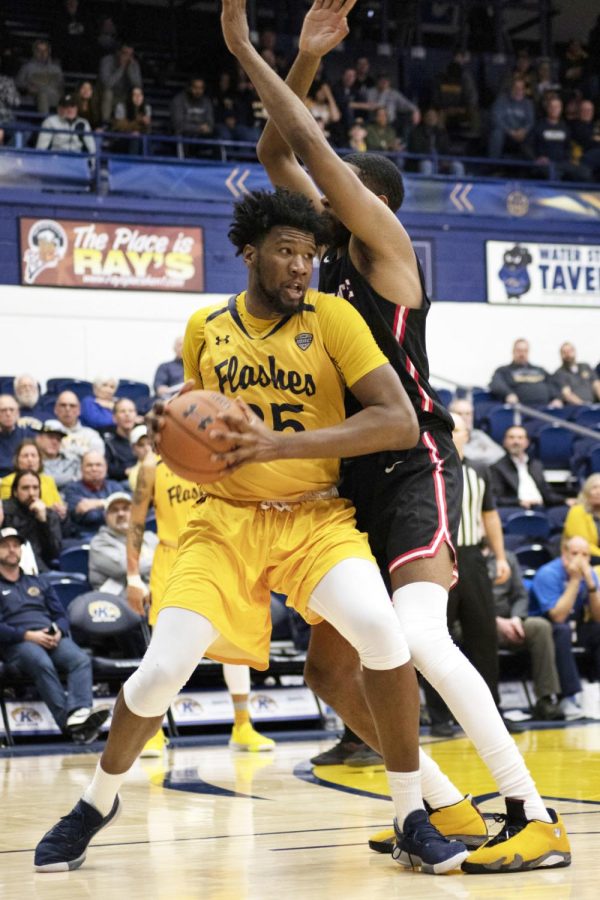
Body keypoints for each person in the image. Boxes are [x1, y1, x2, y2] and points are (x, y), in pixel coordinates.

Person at [34, 187, 471, 876]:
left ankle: (410, 812)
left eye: (311, 254)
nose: (302, 267)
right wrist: (170, 425)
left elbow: (399, 422)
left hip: (316, 516)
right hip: (223, 525)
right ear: (249, 252)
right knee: (160, 675)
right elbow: (195, 415)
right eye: (288, 252)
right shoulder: (205, 327)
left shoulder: (334, 319)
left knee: (384, 636)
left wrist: (276, 448)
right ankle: (96, 801)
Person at [243, 0, 569, 871]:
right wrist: (307, 60)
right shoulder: (324, 263)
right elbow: (280, 154)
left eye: (342, 182)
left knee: (420, 638)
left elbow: (303, 151)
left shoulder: (385, 249)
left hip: (416, 460)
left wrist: (246, 47)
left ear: (371, 200)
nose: (322, 195)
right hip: (348, 481)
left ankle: (533, 815)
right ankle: (447, 807)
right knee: (329, 674)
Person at [127, 452, 276, 756]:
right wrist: (132, 576)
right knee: (163, 650)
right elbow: (136, 520)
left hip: (219, 553)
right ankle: (151, 731)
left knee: (233, 642)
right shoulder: (150, 466)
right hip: (172, 556)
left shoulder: (219, 459)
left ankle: (243, 726)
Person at [423, 413, 510, 736]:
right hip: (437, 557)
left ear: (466, 436)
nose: (452, 435)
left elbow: (491, 516)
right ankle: (440, 718)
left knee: (483, 636)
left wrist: (500, 557)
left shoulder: (480, 470)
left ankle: (493, 714)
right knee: (436, 637)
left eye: (457, 430)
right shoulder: (428, 466)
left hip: (472, 557)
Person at [0, 526, 108, 742]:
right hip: (17, 644)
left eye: (16, 545)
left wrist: (58, 630)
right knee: (41, 662)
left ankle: (80, 712)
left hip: (50, 637)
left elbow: (61, 615)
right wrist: (27, 635)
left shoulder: (38, 581)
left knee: (80, 659)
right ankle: (70, 724)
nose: (12, 550)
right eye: (5, 545)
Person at [484, 545, 564, 721]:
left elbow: (520, 595)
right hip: (477, 622)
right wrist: (496, 621)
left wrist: (516, 619)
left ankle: (546, 699)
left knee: (540, 626)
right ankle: (488, 706)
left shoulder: (507, 557)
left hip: (510, 620)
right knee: (481, 630)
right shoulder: (462, 557)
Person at [530, 536, 600, 719]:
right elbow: (558, 616)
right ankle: (569, 697)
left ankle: (595, 693)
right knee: (562, 631)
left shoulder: (589, 573)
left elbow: (598, 616)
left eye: (585, 555)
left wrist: (592, 586)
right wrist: (575, 581)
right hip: (543, 627)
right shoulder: (548, 574)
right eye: (575, 553)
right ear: (564, 553)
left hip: (575, 624)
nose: (580, 559)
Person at [89, 492, 157, 591]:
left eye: (125, 509)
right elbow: (126, 567)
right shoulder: (99, 543)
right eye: (114, 510)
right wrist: (160, 560)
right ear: (106, 517)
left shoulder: (149, 537)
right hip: (117, 601)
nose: (121, 514)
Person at [490, 425, 568, 510]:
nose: (516, 441)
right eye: (511, 438)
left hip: (542, 507)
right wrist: (519, 502)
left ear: (527, 442)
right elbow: (497, 498)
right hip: (516, 509)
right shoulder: (497, 467)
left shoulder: (536, 465)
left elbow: (547, 494)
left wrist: (565, 500)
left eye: (520, 438)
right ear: (504, 442)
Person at [2, 471, 62, 572]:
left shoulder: (48, 515)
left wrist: (43, 522)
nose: (31, 493)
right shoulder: (5, 512)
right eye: (25, 488)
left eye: (35, 488)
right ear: (15, 492)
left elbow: (54, 553)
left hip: (40, 569)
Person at [63, 451, 125, 537]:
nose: (94, 469)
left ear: (106, 468)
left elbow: (126, 512)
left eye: (98, 465)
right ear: (81, 469)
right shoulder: (72, 489)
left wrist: (99, 503)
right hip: (87, 537)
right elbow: (91, 517)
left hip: (117, 534)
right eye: (89, 465)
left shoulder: (115, 486)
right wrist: (113, 506)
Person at [533, 95, 591, 182]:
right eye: (552, 107)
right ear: (547, 108)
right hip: (546, 164)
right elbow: (527, 146)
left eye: (557, 107)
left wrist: (569, 158)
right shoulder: (539, 126)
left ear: (561, 109)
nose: (554, 109)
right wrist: (536, 158)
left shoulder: (565, 127)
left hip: (563, 163)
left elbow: (568, 146)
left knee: (585, 172)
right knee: (554, 174)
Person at [490, 338, 562, 406]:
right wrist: (508, 394)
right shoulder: (504, 370)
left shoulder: (539, 370)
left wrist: (557, 398)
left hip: (546, 410)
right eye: (519, 351)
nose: (522, 354)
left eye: (525, 351)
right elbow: (496, 384)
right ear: (513, 352)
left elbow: (553, 383)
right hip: (522, 411)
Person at [0, 439, 64, 515]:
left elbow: (59, 506)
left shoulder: (49, 481)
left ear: (40, 460)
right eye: (25, 456)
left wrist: (60, 510)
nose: (30, 460)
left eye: (33, 456)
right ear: (17, 460)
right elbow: (8, 511)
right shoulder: (7, 482)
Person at [488, 77, 535, 162]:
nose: (518, 91)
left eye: (521, 88)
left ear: (524, 90)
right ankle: (493, 165)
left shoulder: (528, 103)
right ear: (511, 88)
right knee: (496, 132)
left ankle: (531, 167)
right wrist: (510, 132)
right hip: (505, 133)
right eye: (516, 88)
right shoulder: (501, 100)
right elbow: (496, 119)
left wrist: (523, 131)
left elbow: (530, 121)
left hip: (521, 134)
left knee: (533, 134)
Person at [448, 398, 503, 466]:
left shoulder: (478, 434)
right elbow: (461, 457)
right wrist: (482, 453)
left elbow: (500, 454)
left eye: (468, 414)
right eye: (459, 413)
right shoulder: (450, 437)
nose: (464, 417)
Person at [53, 391, 105, 461]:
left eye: (72, 406)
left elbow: (97, 462)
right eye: (63, 405)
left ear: (79, 410)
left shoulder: (92, 435)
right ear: (56, 409)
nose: (67, 409)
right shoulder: (47, 432)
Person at [16, 39, 64, 115]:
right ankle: (45, 120)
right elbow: (18, 83)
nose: (42, 53)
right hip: (34, 96)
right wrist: (27, 88)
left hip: (53, 96)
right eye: (39, 50)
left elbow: (61, 86)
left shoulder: (56, 68)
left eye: (45, 50)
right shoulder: (27, 67)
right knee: (42, 95)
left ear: (49, 52)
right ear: (34, 52)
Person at [98, 43, 143, 125]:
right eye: (125, 53)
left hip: (124, 95)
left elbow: (138, 85)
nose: (128, 57)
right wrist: (121, 68)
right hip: (105, 94)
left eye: (130, 54)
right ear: (118, 52)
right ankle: (105, 122)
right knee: (108, 93)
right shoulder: (107, 61)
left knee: (137, 93)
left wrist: (129, 69)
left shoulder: (133, 64)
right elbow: (107, 84)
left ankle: (135, 124)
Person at [170, 78, 215, 154]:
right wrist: (198, 128)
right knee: (182, 138)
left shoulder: (206, 102)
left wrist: (208, 127)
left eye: (200, 88)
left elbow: (210, 122)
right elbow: (178, 125)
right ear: (190, 88)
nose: (198, 91)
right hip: (185, 135)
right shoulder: (179, 100)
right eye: (195, 88)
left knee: (217, 136)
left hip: (201, 136)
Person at [35, 420, 81, 490]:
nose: (55, 442)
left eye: (58, 439)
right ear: (38, 439)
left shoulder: (73, 461)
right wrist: (68, 478)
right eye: (50, 437)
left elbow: (79, 484)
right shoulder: (31, 460)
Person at [563, 474, 600, 560]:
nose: (599, 492)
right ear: (586, 491)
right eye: (594, 488)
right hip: (583, 558)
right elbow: (582, 546)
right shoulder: (577, 512)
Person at [553, 341, 600, 406]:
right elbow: (567, 394)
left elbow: (597, 384)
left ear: (574, 351)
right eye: (564, 352)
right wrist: (584, 405)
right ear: (561, 355)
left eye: (570, 351)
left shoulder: (585, 366)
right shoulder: (559, 373)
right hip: (576, 408)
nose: (568, 354)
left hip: (595, 405)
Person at [103, 398, 138, 482]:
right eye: (122, 411)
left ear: (136, 415)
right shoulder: (109, 443)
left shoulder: (146, 438)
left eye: (131, 411)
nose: (127, 414)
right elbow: (108, 468)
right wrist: (126, 472)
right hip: (121, 483)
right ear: (114, 418)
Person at [0, 395, 33, 477]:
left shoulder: (27, 435)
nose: (8, 414)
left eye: (12, 410)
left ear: (18, 413)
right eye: (3, 410)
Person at [112, 86, 151, 155]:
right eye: (135, 95)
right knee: (135, 139)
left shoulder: (146, 108)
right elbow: (119, 126)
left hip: (139, 138)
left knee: (145, 140)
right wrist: (138, 122)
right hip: (122, 138)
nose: (138, 97)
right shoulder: (121, 107)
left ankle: (145, 164)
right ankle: (132, 164)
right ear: (130, 96)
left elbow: (147, 130)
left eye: (140, 95)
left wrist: (146, 124)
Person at [127, 425, 154, 491]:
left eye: (150, 443)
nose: (147, 448)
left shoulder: (168, 463)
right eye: (141, 445)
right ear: (133, 449)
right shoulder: (134, 473)